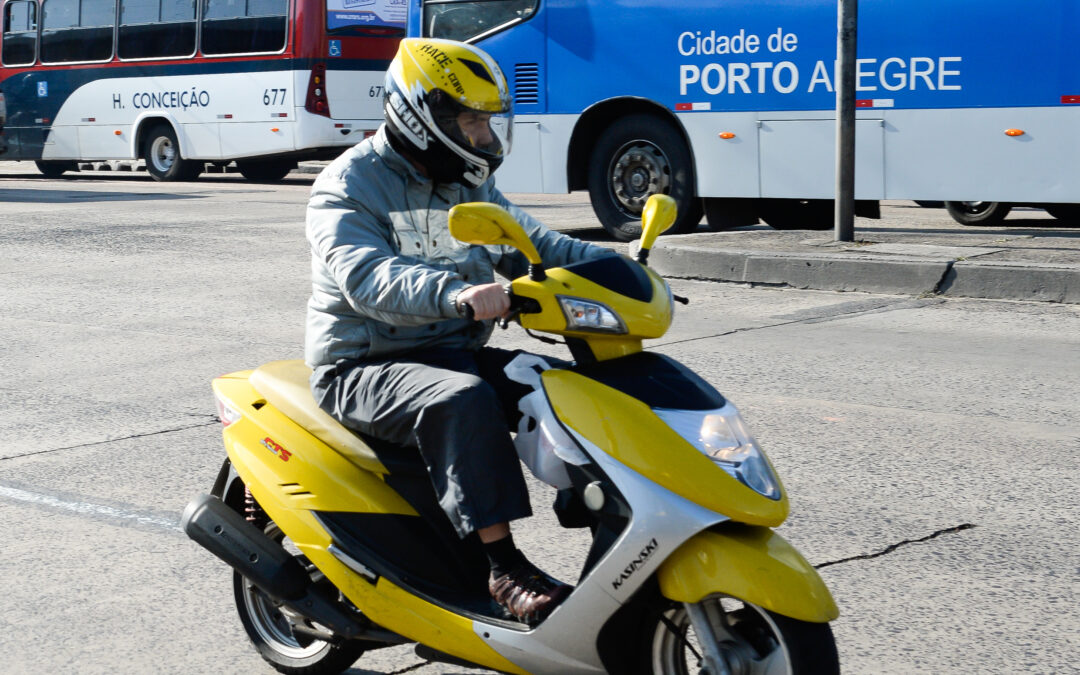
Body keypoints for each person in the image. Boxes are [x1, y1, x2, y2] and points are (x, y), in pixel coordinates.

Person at [304, 38, 615, 623]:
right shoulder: (347, 185)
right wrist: (458, 295)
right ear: (422, 117)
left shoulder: (467, 182)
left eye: (487, 122)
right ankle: (504, 569)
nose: (484, 136)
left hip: (448, 350)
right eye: (471, 121)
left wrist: (615, 270)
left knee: (567, 389)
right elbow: (367, 279)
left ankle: (612, 523)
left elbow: (534, 244)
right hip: (363, 365)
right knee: (463, 399)